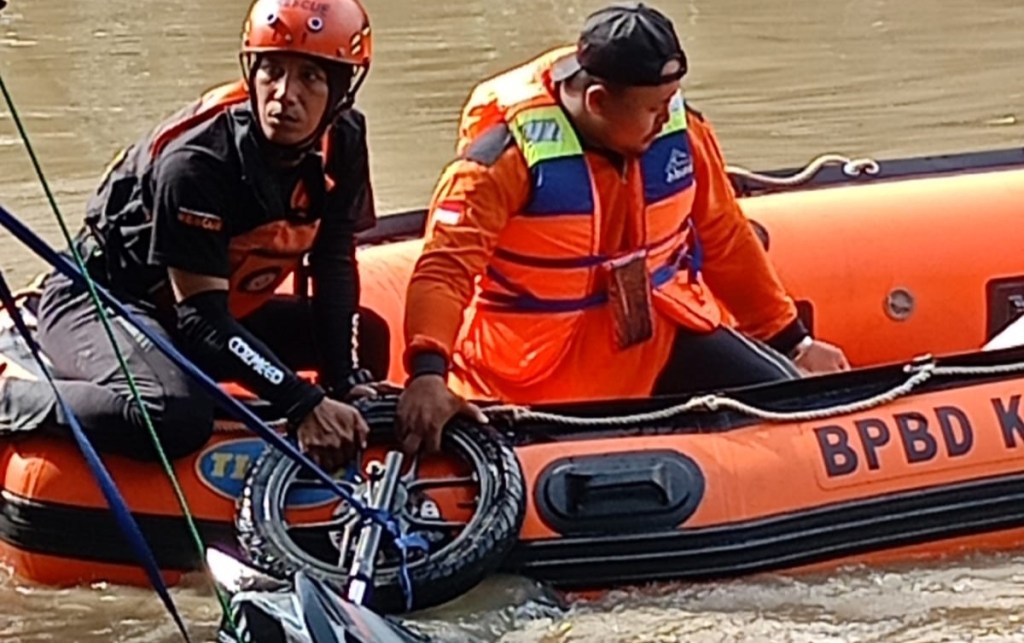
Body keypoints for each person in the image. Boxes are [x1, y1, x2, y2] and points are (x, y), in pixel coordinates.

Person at [396, 2, 850, 454]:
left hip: (653, 341)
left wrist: (794, 342)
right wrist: (429, 374)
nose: (666, 118)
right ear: (597, 101)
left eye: (670, 100)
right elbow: (445, 270)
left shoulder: (682, 133)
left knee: (791, 409)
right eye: (653, 107)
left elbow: (724, 236)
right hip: (532, 372)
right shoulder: (499, 165)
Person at [0, 0, 382, 470]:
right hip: (101, 300)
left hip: (196, 315)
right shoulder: (198, 163)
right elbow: (202, 321)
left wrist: (341, 382)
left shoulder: (344, 140)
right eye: (272, 71)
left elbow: (334, 260)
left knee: (369, 338)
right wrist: (301, 402)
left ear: (341, 91)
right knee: (174, 414)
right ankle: (10, 401)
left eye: (310, 77)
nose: (285, 94)